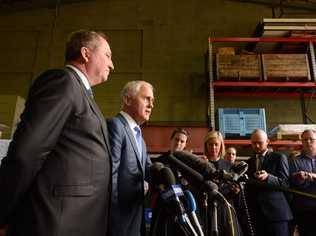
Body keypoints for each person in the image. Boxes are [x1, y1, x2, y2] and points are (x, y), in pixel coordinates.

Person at [0, 30, 114, 236]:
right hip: (56, 222)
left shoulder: (81, 92)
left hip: (78, 220)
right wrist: (3, 210)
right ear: (86, 54)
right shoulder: (63, 81)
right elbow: (27, 153)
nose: (112, 64)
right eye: (107, 55)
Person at [107, 80, 154, 236]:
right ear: (127, 100)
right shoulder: (115, 126)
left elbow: (149, 171)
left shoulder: (141, 138)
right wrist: (112, 217)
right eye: (146, 98)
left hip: (136, 219)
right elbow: (110, 175)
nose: (151, 105)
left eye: (152, 101)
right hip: (118, 220)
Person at [244, 129, 292, 236]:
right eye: (254, 143)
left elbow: (286, 184)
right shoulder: (248, 162)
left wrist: (268, 177)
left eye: (259, 143)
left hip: (277, 215)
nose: (256, 146)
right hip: (256, 215)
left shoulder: (279, 158)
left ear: (267, 141)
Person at [289, 129, 316, 236]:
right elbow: (292, 183)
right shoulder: (294, 161)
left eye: (311, 139)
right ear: (302, 141)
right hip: (304, 209)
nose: (308, 142)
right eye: (305, 140)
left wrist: (311, 176)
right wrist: (300, 179)